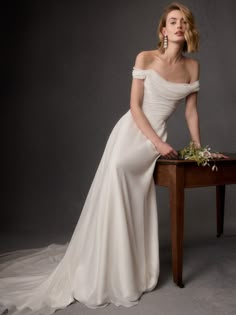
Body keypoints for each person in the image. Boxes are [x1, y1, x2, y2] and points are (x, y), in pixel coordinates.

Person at [0, 2, 227, 315]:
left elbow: (191, 111)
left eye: (184, 22)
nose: (178, 26)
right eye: (172, 21)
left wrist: (199, 148)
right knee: (119, 174)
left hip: (155, 139)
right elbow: (135, 106)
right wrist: (159, 143)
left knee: (137, 195)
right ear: (163, 30)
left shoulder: (192, 67)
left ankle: (130, 266)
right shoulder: (145, 58)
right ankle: (108, 265)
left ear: (189, 31)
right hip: (134, 133)